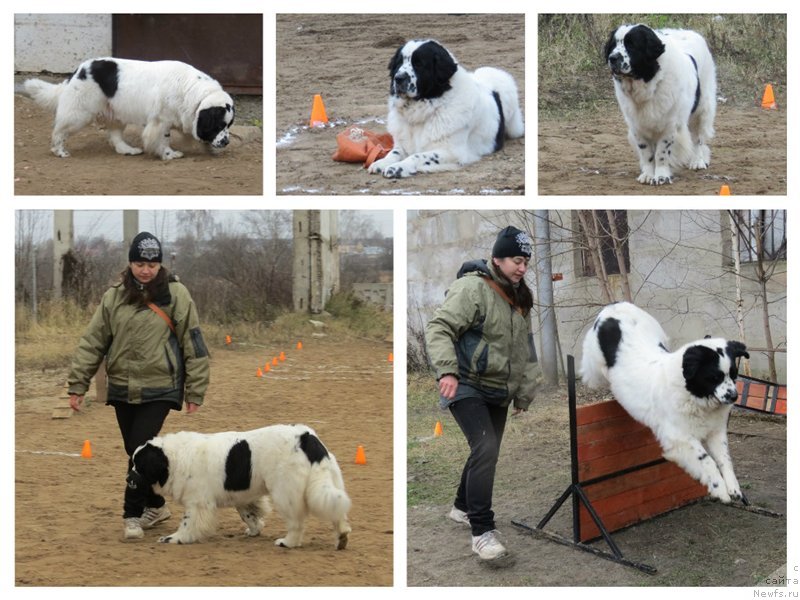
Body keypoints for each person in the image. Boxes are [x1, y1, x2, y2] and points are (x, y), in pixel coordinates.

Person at [67, 232, 210, 541]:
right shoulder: (114, 296)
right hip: (121, 387)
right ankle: (157, 504)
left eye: (152, 264)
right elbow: (93, 342)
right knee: (134, 451)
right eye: (139, 263)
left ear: (160, 265)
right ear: (130, 263)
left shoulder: (176, 294)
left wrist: (195, 390)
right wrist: (77, 384)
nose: (146, 270)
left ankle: (132, 516)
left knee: (139, 450)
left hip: (161, 386)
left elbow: (193, 342)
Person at [425, 225, 542, 566]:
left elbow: (525, 349)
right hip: (465, 383)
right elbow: (439, 327)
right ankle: (482, 533)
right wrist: (446, 370)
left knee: (485, 449)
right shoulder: (472, 288)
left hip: (498, 390)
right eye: (516, 261)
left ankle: (462, 508)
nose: (522, 268)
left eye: (526, 262)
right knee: (485, 447)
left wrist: (524, 392)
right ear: (497, 259)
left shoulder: (520, 298)